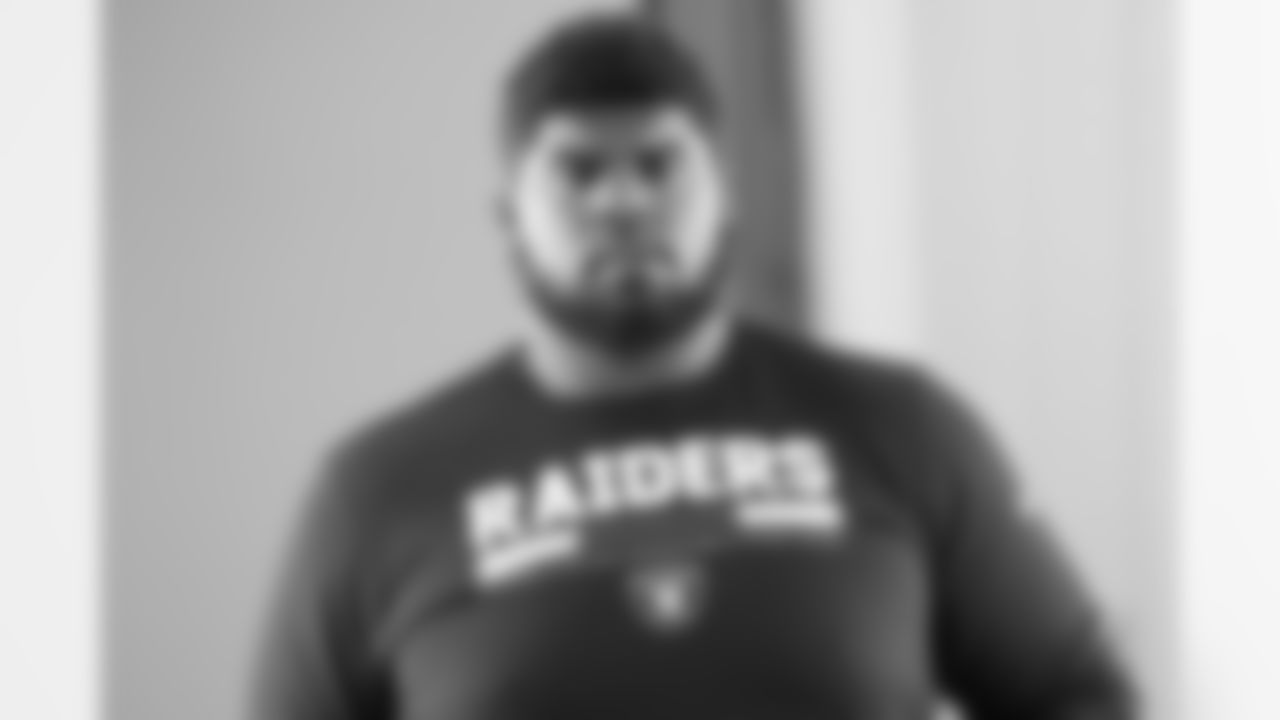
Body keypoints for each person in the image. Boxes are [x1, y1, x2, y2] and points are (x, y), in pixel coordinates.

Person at [250, 12, 1138, 720]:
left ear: (726, 197)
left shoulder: (903, 428)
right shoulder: (374, 494)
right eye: (579, 171)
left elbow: (1080, 696)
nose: (624, 201)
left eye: (659, 164)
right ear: (509, 219)